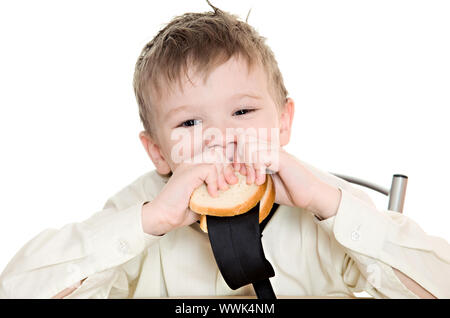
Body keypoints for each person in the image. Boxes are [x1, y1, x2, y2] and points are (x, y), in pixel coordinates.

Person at [1, 2, 448, 299]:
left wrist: (329, 205)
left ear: (283, 122)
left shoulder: (324, 201)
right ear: (158, 153)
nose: (220, 138)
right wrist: (150, 221)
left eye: (242, 111)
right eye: (190, 123)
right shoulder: (143, 210)